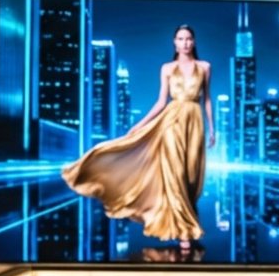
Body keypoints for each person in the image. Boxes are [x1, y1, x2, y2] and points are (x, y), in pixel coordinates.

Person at [61, 24, 215, 251]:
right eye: (180, 39)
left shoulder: (205, 67)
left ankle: (185, 220)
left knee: (192, 177)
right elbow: (161, 102)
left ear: (194, 41)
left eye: (189, 39)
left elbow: (207, 99)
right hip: (172, 123)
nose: (185, 43)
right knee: (177, 176)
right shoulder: (166, 68)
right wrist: (139, 125)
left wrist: (213, 129)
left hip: (195, 123)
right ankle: (184, 231)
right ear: (174, 42)